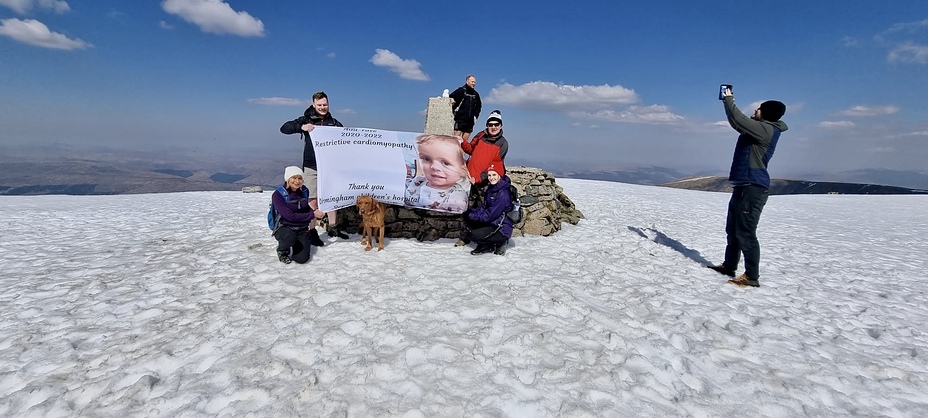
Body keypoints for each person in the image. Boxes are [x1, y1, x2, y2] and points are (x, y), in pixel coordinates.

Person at [708, 88, 788, 288]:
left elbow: (738, 117)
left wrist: (728, 98)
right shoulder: (759, 128)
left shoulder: (767, 129)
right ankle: (729, 266)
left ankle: (751, 277)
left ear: (766, 113)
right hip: (743, 185)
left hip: (753, 187)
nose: (756, 110)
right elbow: (736, 122)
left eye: (759, 109)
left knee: (746, 232)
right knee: (733, 230)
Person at [280, 91, 349, 243]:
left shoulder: (335, 123)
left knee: (333, 197)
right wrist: (301, 127)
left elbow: (346, 140)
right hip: (312, 165)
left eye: (325, 104)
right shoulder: (306, 119)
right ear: (313, 104)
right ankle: (312, 232)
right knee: (311, 199)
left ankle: (333, 227)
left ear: (328, 104)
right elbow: (284, 128)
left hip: (330, 166)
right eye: (319, 105)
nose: (322, 107)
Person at [455, 110, 510, 246]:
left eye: (496, 124)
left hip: (485, 183)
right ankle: (464, 237)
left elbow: (495, 166)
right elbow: (471, 149)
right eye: (490, 124)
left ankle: (481, 238)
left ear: (501, 126)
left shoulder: (503, 143)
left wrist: (478, 178)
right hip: (469, 179)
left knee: (483, 210)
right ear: (487, 125)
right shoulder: (480, 135)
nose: (493, 127)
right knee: (466, 209)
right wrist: (462, 142)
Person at [273, 166, 325, 264]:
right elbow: (290, 216)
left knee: (301, 259)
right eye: (294, 178)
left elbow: (305, 208)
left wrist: (314, 212)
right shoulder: (278, 195)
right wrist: (313, 215)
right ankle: (282, 251)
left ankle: (297, 242)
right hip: (284, 227)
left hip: (301, 228)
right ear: (288, 179)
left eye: (300, 178)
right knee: (289, 236)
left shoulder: (304, 191)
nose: (297, 181)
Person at [405, 134, 470, 213]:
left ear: (462, 170)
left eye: (446, 163)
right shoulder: (417, 182)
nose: (434, 167)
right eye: (427, 159)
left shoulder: (457, 195)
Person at [465, 165, 513, 256]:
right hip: (493, 223)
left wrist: (472, 215)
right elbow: (485, 207)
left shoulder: (502, 194)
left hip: (501, 228)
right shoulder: (492, 188)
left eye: (494, 175)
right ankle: (486, 244)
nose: (491, 178)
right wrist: (472, 212)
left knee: (473, 235)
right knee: (467, 216)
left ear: (500, 175)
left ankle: (498, 243)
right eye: (489, 175)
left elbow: (490, 215)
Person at [449, 74, 482, 142]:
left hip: (470, 120)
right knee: (456, 139)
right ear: (467, 81)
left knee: (465, 142)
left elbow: (479, 106)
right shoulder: (461, 90)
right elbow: (451, 96)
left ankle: (462, 153)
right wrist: (452, 99)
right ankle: (453, 152)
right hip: (460, 118)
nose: (474, 83)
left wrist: (475, 116)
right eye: (472, 81)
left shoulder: (476, 94)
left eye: (475, 82)